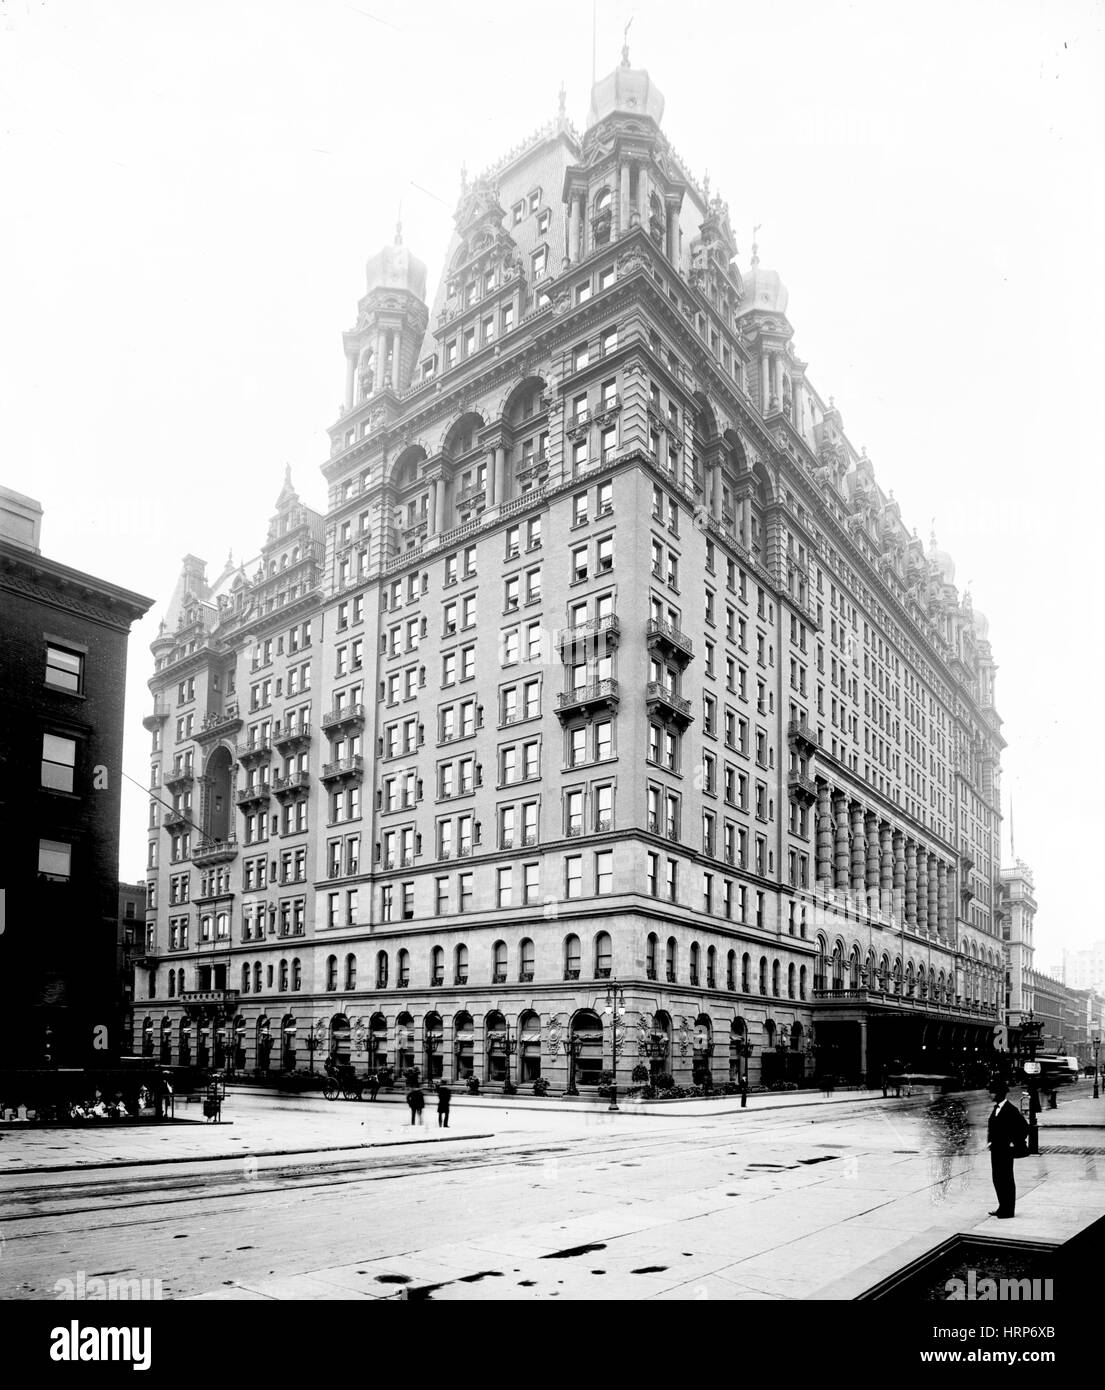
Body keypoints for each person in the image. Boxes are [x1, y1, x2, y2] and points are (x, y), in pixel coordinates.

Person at [987, 1080, 1029, 1218]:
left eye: (992, 1092)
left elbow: (1024, 1128)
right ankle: (1002, 1206)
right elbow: (993, 1127)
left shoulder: (1011, 1110)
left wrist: (1013, 1142)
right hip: (996, 1150)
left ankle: (1008, 1210)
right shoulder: (997, 1108)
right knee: (997, 1179)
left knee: (1006, 1180)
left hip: (1005, 1151)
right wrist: (990, 1141)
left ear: (999, 1094)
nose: (990, 1094)